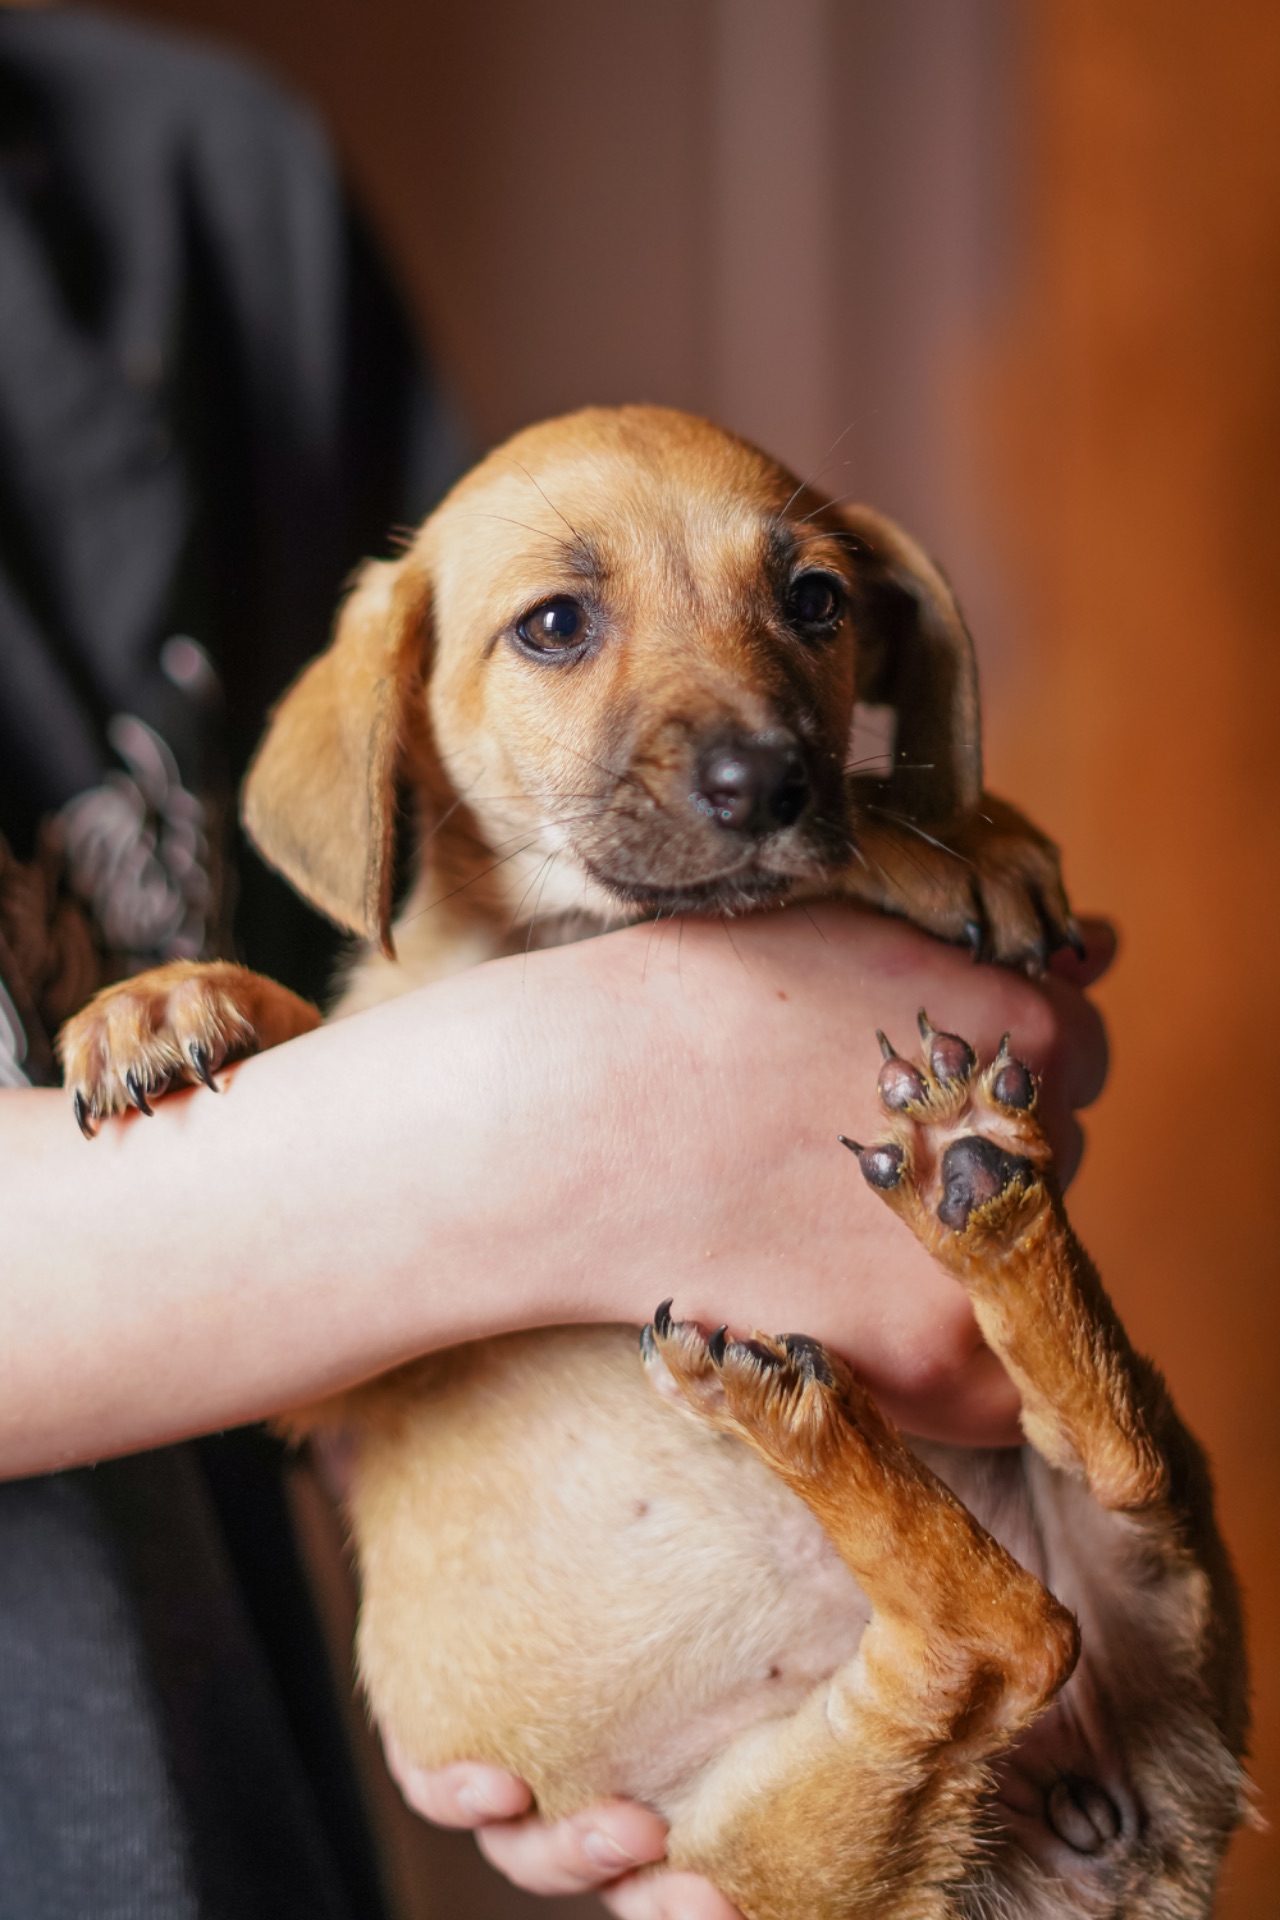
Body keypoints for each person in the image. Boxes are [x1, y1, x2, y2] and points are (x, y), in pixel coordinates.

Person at [0, 9, 1112, 1918]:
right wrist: (604, 1113)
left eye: (812, 603)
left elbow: (370, 938)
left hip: (237, 1804)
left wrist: (610, 1608)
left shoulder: (207, 185)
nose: (745, 725)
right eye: (572, 623)